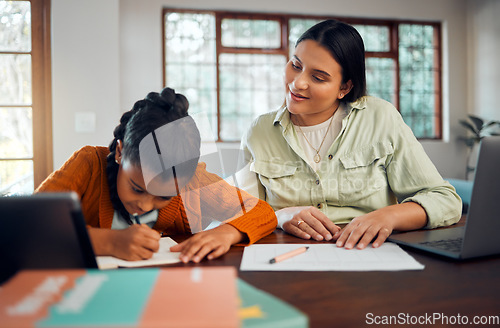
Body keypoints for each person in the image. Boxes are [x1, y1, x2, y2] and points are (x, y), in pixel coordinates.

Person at [238, 19, 461, 250]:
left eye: (318, 77)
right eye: (296, 65)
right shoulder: (259, 131)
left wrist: (388, 216)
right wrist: (281, 216)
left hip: (368, 254)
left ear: (344, 88)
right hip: (288, 254)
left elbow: (444, 200)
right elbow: (241, 214)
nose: (298, 83)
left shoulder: (380, 118)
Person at [36, 88, 277, 263]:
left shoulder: (192, 182)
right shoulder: (88, 164)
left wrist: (225, 233)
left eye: (163, 197)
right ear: (120, 152)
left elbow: (262, 212)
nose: (144, 204)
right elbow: (29, 224)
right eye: (137, 188)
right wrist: (109, 242)